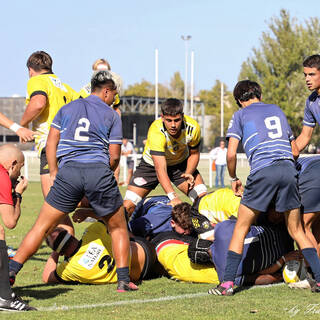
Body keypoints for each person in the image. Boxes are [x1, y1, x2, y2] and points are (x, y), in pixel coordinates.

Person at [9, 70, 137, 292]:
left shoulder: (66, 109)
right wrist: (105, 173)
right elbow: (115, 155)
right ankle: (123, 281)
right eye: (113, 95)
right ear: (106, 91)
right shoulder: (112, 115)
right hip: (98, 170)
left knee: (40, 227)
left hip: (68, 172)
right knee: (118, 227)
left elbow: (51, 142)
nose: (113, 100)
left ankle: (10, 273)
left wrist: (54, 171)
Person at [210, 80, 320, 296]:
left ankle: (227, 284)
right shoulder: (276, 110)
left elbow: (231, 153)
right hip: (289, 169)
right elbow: (293, 148)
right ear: (259, 94)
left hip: (263, 170)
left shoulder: (240, 115)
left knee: (241, 227)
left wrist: (233, 177)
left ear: (239, 101)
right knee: (297, 230)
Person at [123, 98, 207, 216]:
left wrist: (189, 172)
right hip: (151, 166)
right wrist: (173, 197)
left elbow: (194, 154)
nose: (173, 125)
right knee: (127, 207)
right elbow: (160, 169)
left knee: (203, 200)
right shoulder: (156, 130)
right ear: (162, 117)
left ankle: (201, 232)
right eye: (169, 120)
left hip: (180, 165)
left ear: (182, 116)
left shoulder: (193, 127)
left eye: (177, 120)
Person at [42, 221, 157, 284]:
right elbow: (112, 217)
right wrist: (86, 213)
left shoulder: (70, 269)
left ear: (60, 253)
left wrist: (55, 252)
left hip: (140, 275)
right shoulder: (92, 233)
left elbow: (46, 277)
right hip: (145, 251)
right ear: (71, 235)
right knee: (120, 228)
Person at [0, 145, 35, 311]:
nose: (20, 173)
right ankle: (4, 297)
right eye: (20, 167)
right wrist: (18, 194)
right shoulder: (2, 176)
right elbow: (10, 221)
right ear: (12, 164)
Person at [296, 155, 320, 255]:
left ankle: (313, 269)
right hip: (314, 169)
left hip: (313, 173)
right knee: (317, 225)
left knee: (300, 226)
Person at [296, 55, 320, 152]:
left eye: (312, 74)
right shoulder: (311, 101)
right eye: (305, 75)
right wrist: (285, 157)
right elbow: (305, 136)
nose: (307, 79)